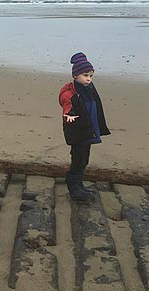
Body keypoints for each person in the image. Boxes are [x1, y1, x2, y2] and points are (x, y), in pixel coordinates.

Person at [58, 52, 111, 201]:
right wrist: (69, 115)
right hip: (78, 132)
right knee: (78, 158)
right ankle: (74, 186)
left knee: (84, 159)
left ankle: (79, 184)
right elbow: (67, 106)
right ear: (75, 76)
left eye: (91, 76)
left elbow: (96, 106)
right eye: (85, 75)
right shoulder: (72, 93)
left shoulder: (89, 89)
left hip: (89, 129)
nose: (88, 79)